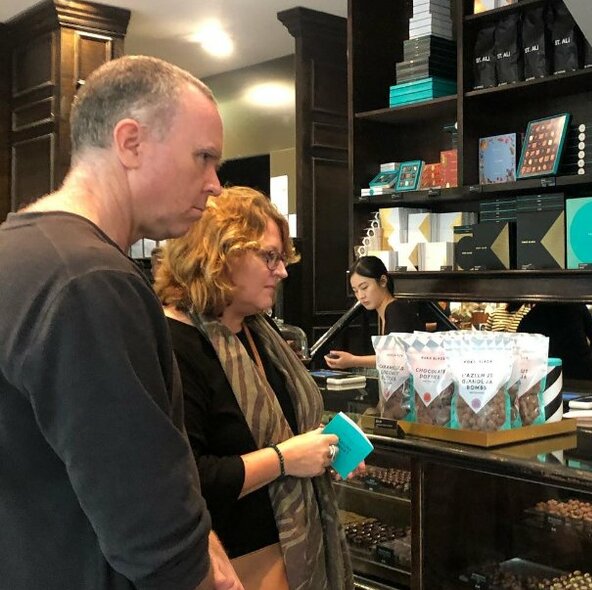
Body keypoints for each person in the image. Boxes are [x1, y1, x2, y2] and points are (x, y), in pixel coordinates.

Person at [0, 56, 243, 589]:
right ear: (130, 142)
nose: (216, 185)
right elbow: (156, 537)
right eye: (203, 158)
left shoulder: (18, 251)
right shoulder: (89, 281)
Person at [155, 187, 354, 590]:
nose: (282, 271)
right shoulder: (175, 343)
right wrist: (285, 459)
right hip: (233, 567)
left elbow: (289, 426)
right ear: (219, 256)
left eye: (282, 258)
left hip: (289, 553)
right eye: (270, 257)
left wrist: (326, 447)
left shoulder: (257, 332)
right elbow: (185, 479)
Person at [324, 255, 422, 369]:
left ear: (383, 281)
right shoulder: (385, 312)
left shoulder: (395, 309)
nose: (360, 296)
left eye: (364, 287)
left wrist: (353, 360)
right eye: (355, 291)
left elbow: (396, 357)